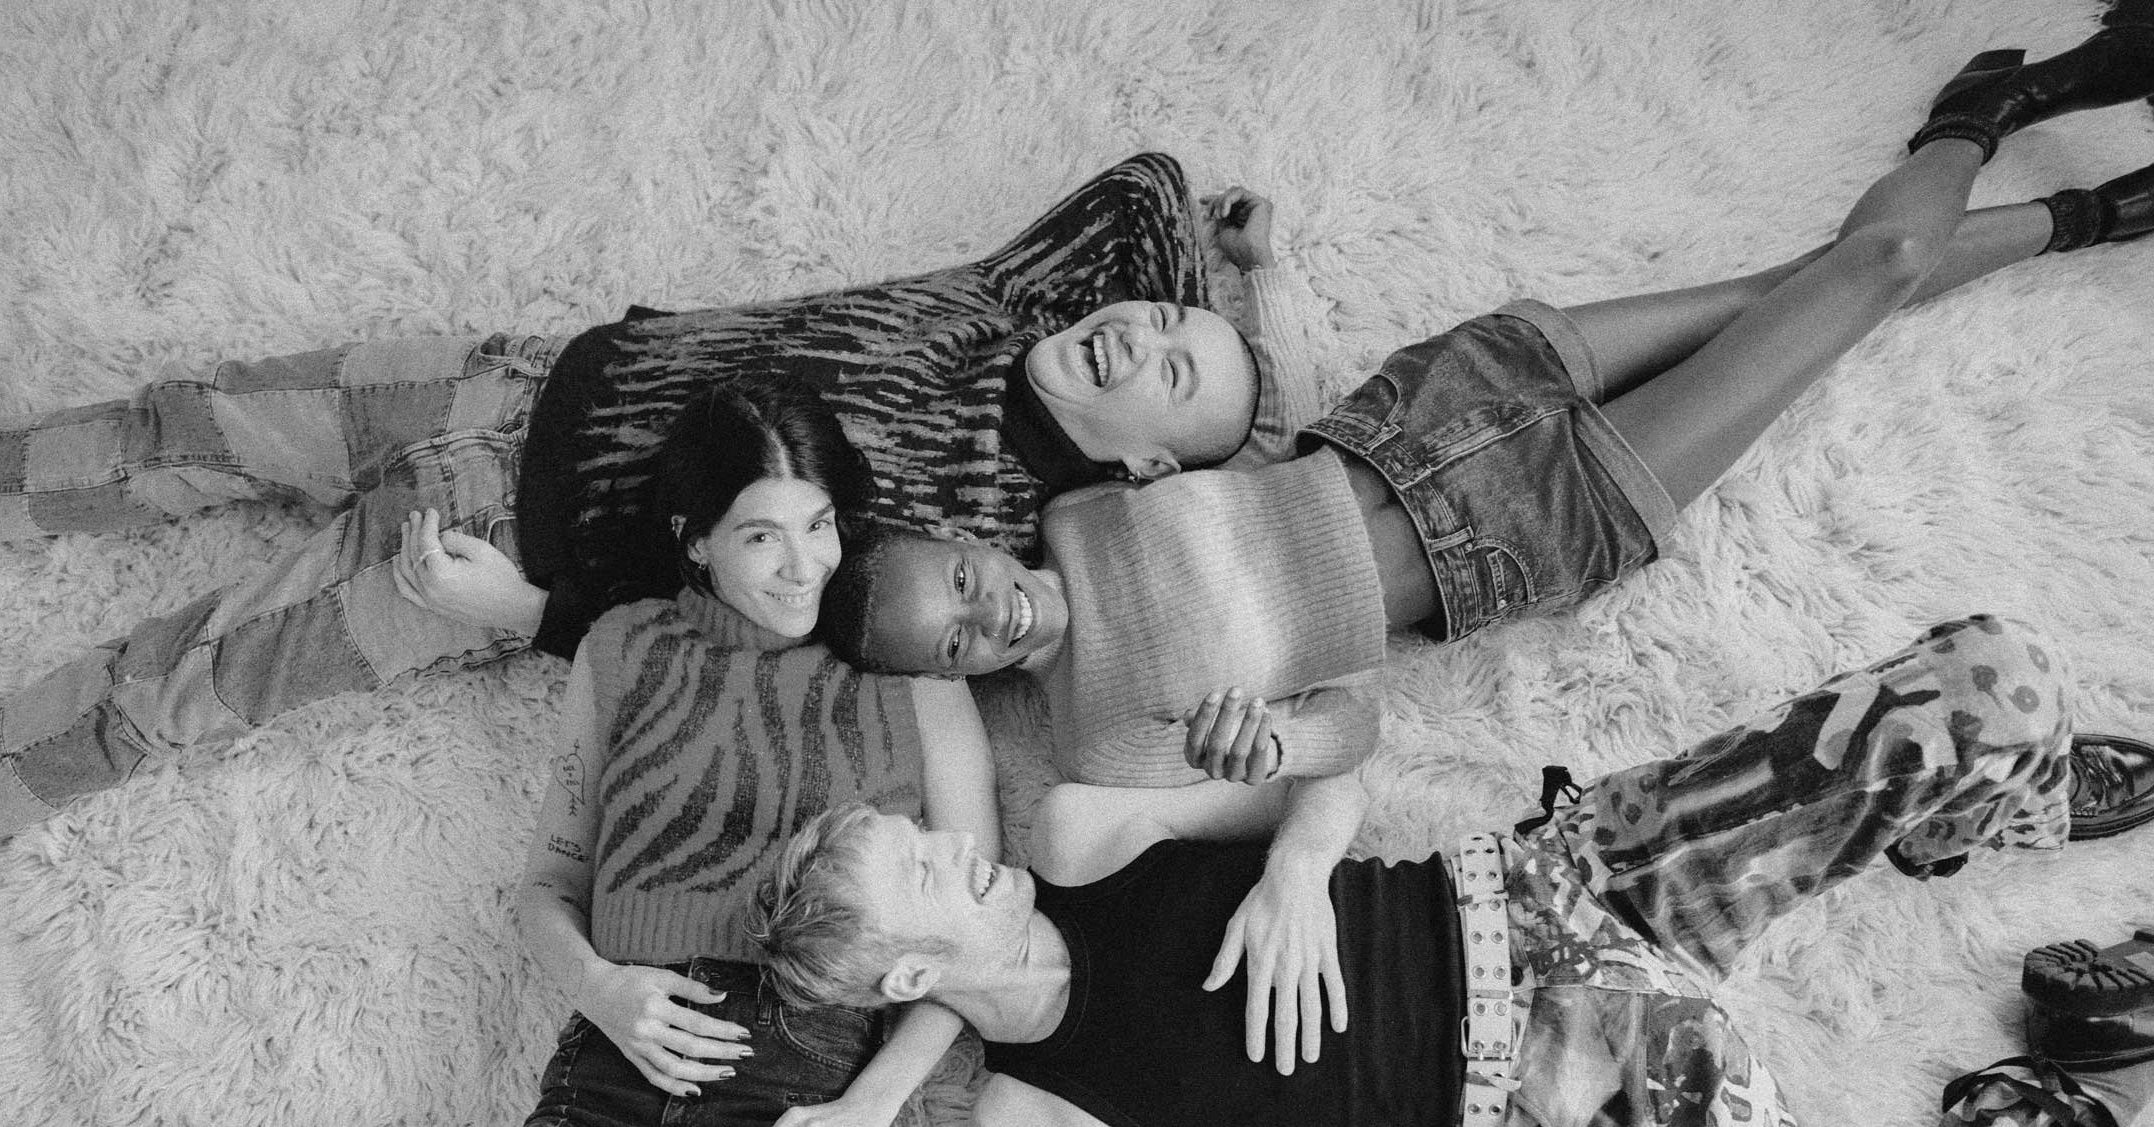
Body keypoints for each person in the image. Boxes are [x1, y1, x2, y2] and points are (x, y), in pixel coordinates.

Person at [742, 613, 2154, 1127]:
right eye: (927, 870)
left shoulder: (1071, 831)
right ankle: (2056, 1110)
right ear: (915, 964)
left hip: (1570, 873)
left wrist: (1297, 868)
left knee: (2001, 681)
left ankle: (1985, 815)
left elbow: (1335, 767)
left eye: (926, 834)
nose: (959, 844)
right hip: (1587, 1086)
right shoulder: (1026, 1122)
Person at [819, 25, 2154, 802]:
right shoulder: (1093, 727)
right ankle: (1983, 115)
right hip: (1527, 529)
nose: (982, 609)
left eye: (956, 579)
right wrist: (1271, 740)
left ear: (964, 544)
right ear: (959, 676)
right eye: (955, 640)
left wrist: (1258, 275)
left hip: (1433, 403)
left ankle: (2089, 212)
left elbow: (1259, 444)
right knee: (1871, 275)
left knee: (1792, 283)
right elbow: (1350, 723)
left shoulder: (1077, 507)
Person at [0, 154, 1309, 852]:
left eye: (1171, 365)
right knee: (172, 424)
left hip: (482, 556)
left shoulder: (981, 556)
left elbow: (752, 640)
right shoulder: (1022, 298)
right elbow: (1147, 189)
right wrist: (1239, 279)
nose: (1139, 327)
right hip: (505, 380)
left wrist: (536, 614)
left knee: (172, 688)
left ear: (1152, 471)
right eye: (1156, 310)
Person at [246, 374, 996, 1127]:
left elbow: (977, 944)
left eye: (821, 526)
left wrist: (869, 1108)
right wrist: (603, 986)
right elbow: (547, 888)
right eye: (761, 537)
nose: (804, 566)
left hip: (805, 1102)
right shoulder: (621, 649)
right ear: (695, 542)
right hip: (604, 1108)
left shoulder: (909, 674)